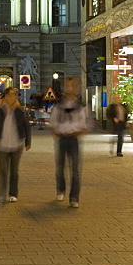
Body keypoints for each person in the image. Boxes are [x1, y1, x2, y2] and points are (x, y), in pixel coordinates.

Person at [0, 87, 31, 207]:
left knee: (14, 171)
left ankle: (13, 193)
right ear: (5, 96)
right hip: (2, 145)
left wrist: (28, 141)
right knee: (3, 172)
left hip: (17, 144)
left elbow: (26, 126)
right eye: (11, 94)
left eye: (15, 95)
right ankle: (1, 196)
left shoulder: (20, 111)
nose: (13, 97)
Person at [50, 77, 89, 208]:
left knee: (75, 169)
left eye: (72, 86)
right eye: (67, 86)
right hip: (62, 138)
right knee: (60, 167)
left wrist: (79, 131)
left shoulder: (79, 106)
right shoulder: (59, 105)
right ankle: (60, 190)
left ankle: (74, 197)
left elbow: (84, 124)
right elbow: (53, 122)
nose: (70, 88)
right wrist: (56, 131)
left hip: (73, 139)